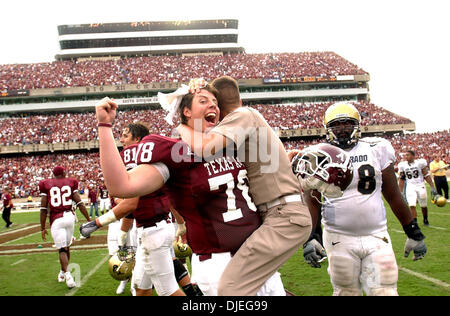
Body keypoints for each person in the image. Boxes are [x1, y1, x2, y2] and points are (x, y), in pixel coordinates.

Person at [90, 85, 285, 296]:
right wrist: (104, 125)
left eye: (215, 102)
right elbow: (121, 186)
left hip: (260, 258)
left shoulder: (230, 143)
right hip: (220, 264)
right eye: (203, 101)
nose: (212, 105)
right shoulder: (175, 152)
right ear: (186, 112)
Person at [176, 76, 312, 296]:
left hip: (282, 215)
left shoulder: (242, 115)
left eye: (212, 102)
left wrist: (182, 127)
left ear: (219, 105)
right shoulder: (248, 122)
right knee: (264, 288)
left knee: (230, 289)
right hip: (280, 214)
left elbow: (204, 147)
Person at [295, 102, 427, 296]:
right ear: (328, 129)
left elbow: (393, 194)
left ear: (357, 125)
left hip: (376, 235)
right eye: (336, 125)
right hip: (338, 237)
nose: (342, 129)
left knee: (385, 291)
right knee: (346, 292)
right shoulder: (318, 154)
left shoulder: (377, 148)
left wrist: (413, 232)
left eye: (347, 123)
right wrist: (311, 237)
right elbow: (312, 199)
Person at [39, 166, 90, 289]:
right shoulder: (70, 182)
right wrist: (88, 219)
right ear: (64, 173)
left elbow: (43, 208)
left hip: (56, 218)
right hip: (70, 217)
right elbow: (79, 203)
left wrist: (42, 227)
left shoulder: (46, 184)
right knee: (66, 247)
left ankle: (68, 275)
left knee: (62, 249)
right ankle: (62, 272)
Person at [398, 150, 437, 226]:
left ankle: (425, 219)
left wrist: (432, 187)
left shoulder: (420, 163)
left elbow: (426, 175)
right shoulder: (403, 165)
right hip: (410, 186)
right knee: (412, 204)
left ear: (413, 156)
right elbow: (402, 179)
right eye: (405, 155)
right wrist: (401, 192)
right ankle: (414, 222)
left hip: (420, 185)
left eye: (408, 155)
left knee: (423, 205)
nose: (406, 157)